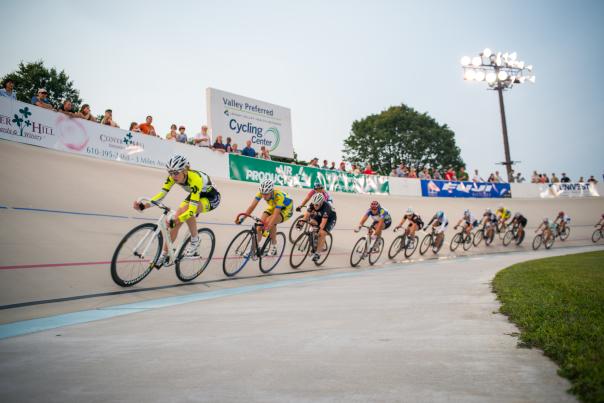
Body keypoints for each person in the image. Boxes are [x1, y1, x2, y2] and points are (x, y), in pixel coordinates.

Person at [133, 155, 221, 267]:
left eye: (175, 173)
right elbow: (161, 196)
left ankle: (195, 241)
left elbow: (191, 210)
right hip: (196, 194)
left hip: (211, 197)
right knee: (175, 224)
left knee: (184, 212)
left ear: (185, 170)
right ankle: (163, 256)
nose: (172, 176)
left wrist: (177, 219)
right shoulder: (172, 177)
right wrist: (144, 206)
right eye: (170, 172)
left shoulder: (195, 179)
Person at [237, 179, 293, 256]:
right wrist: (243, 218)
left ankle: (274, 246)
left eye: (266, 194)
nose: (263, 196)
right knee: (259, 227)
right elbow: (252, 206)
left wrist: (268, 226)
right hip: (274, 206)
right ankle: (253, 250)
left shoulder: (279, 197)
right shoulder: (262, 193)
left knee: (270, 221)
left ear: (271, 192)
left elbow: (276, 214)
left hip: (286, 210)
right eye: (262, 194)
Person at [302, 193, 337, 262]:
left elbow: (323, 223)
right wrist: (301, 222)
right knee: (312, 222)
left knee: (322, 233)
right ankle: (314, 242)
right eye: (314, 204)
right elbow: (306, 215)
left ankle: (318, 253)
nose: (315, 206)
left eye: (317, 204)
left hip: (330, 219)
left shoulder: (326, 207)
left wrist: (319, 231)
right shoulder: (313, 204)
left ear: (321, 203)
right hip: (320, 216)